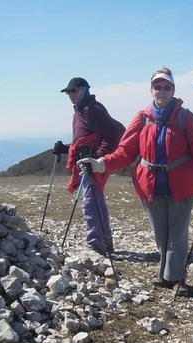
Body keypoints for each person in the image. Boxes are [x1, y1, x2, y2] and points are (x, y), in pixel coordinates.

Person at [78, 68, 193, 297]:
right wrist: (101, 163)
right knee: (160, 232)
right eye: (157, 87)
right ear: (151, 90)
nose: (162, 91)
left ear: (173, 90)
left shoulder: (185, 117)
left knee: (177, 234)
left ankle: (178, 278)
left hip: (182, 184)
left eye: (167, 87)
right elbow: (125, 152)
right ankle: (166, 274)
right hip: (150, 184)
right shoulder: (142, 118)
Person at [53, 77, 124, 255]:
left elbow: (112, 134)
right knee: (95, 201)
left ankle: (96, 245)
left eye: (73, 91)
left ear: (84, 90)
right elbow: (82, 142)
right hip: (87, 162)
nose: (70, 94)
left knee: (90, 203)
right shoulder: (80, 111)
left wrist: (98, 156)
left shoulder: (93, 109)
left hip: (93, 164)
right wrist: (64, 149)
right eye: (68, 92)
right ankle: (105, 243)